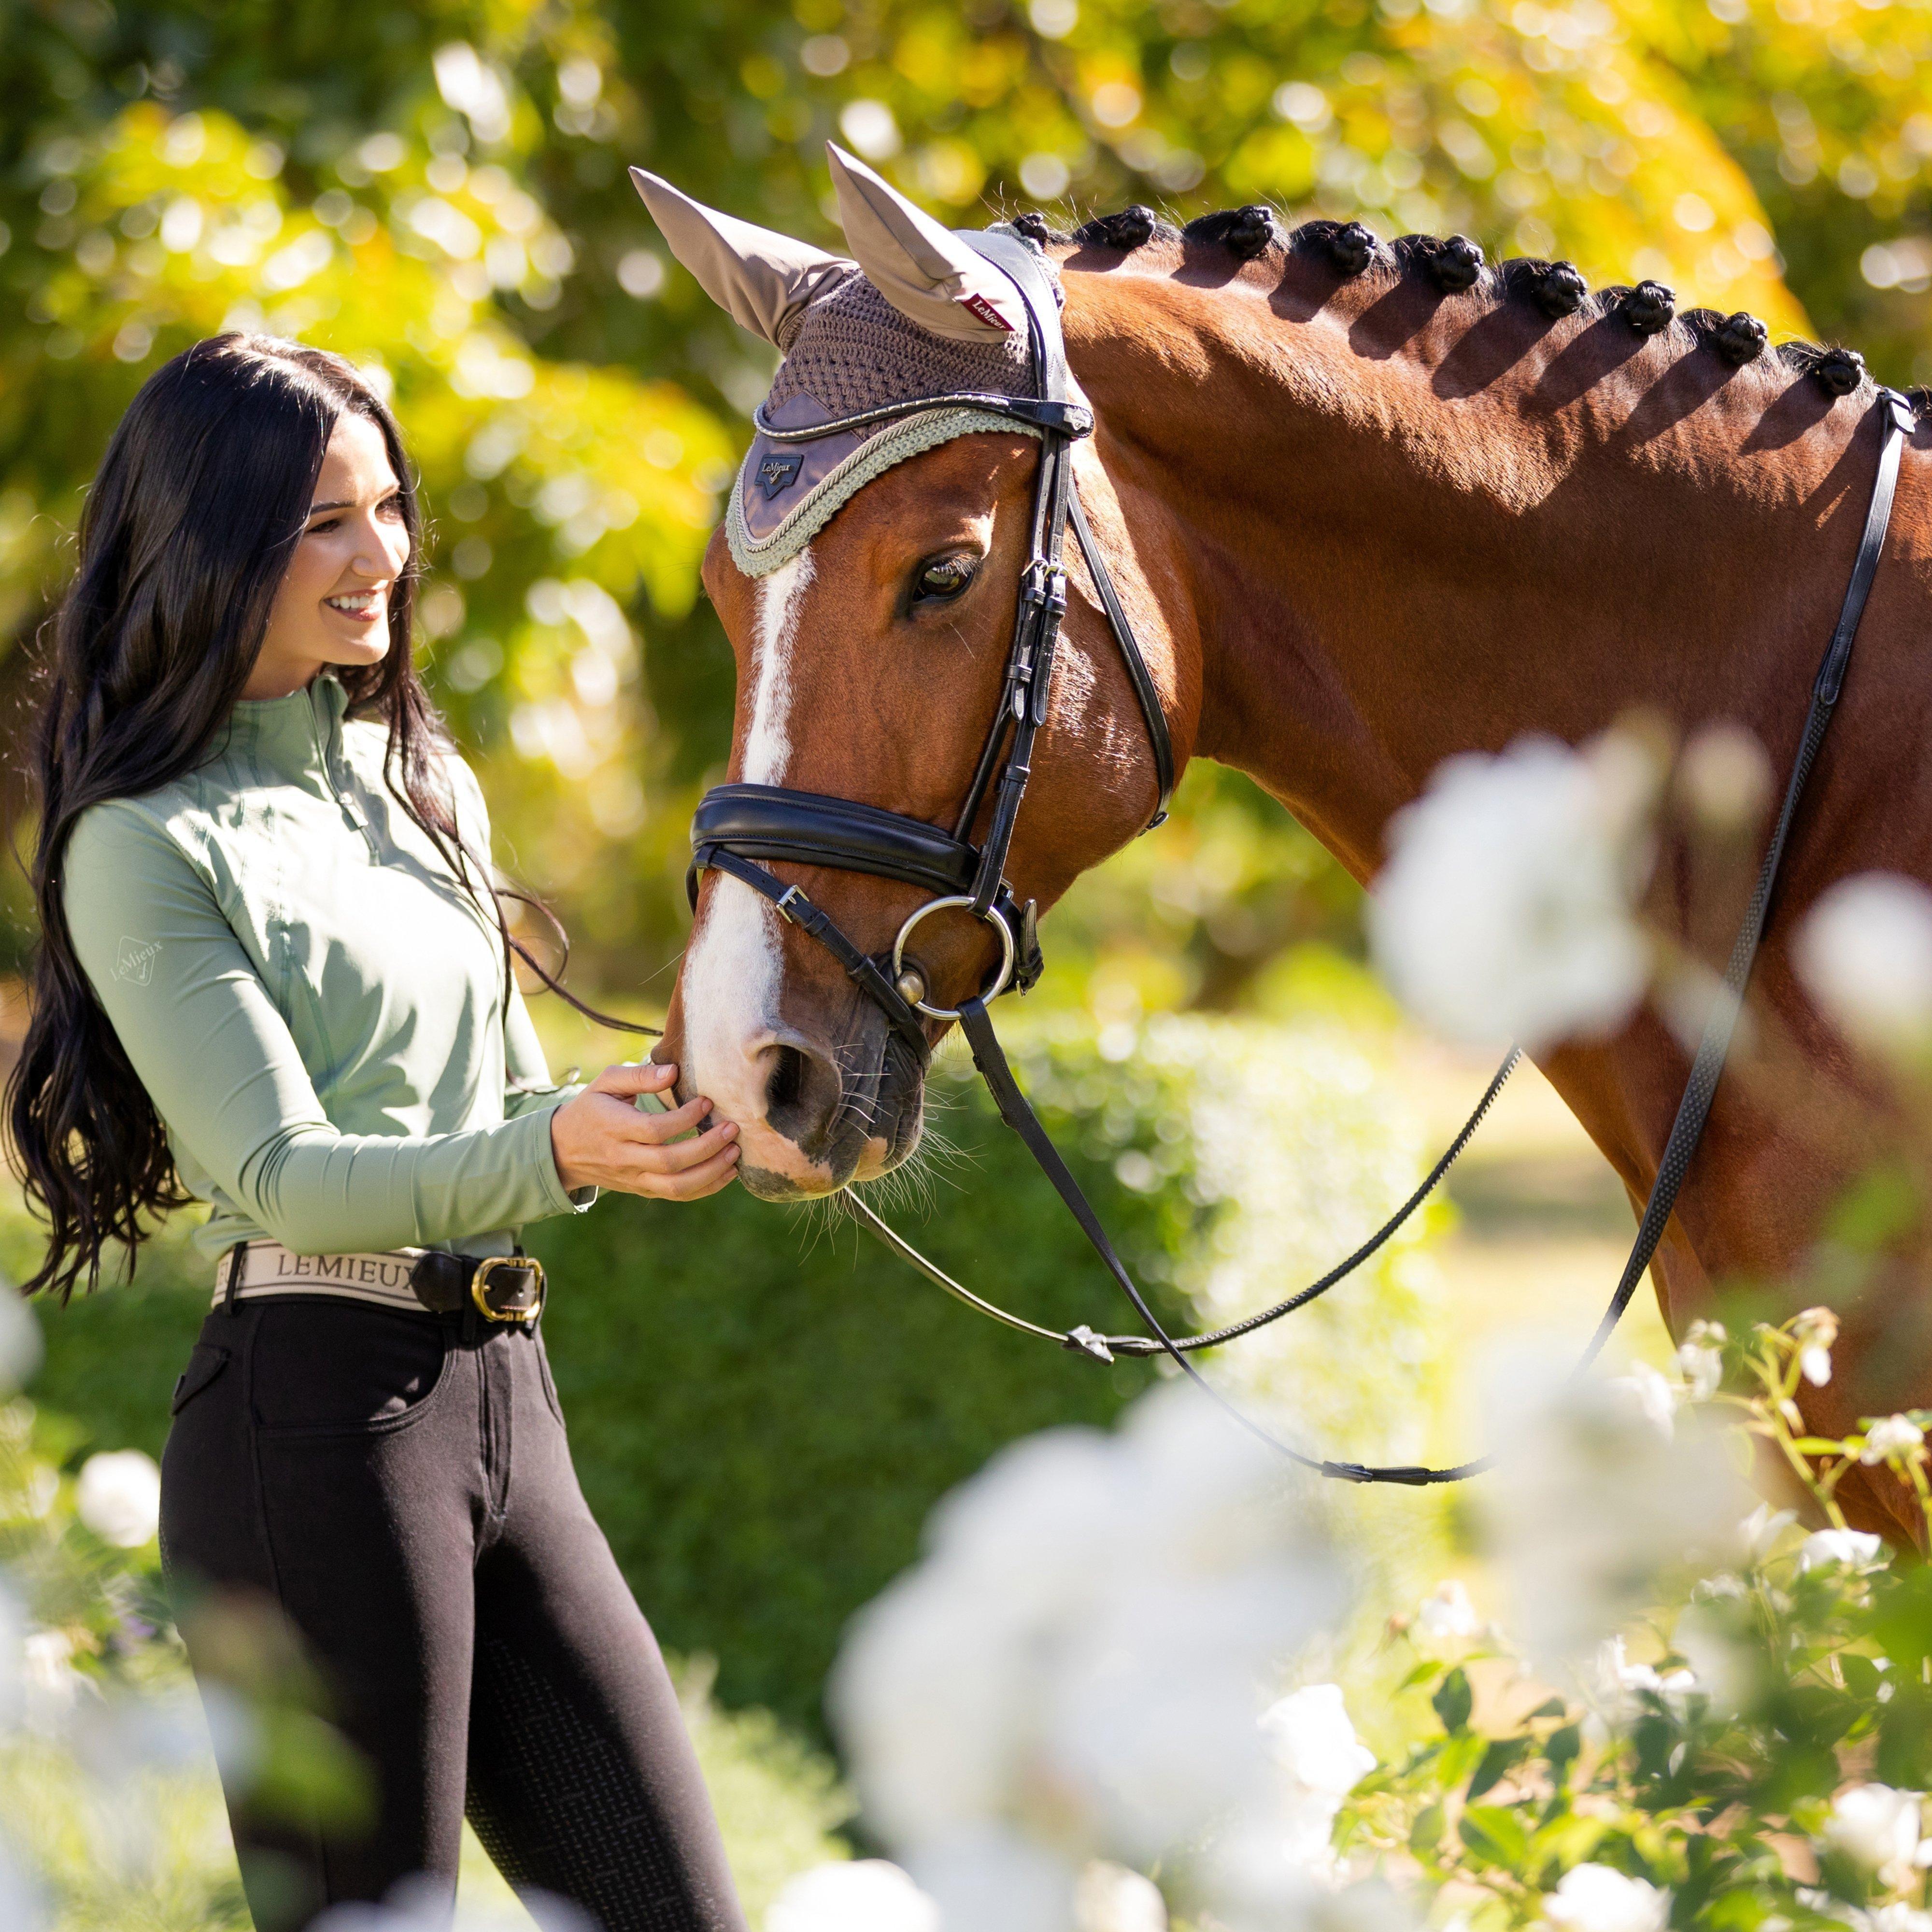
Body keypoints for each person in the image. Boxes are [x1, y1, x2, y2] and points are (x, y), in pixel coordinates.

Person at [4, 335, 748, 1932]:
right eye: (324, 524)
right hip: (313, 1425)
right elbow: (279, 1170)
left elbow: (503, 1109)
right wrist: (558, 1151)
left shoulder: (427, 785)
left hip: (503, 1397)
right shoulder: (141, 846)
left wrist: (668, 1105)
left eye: (391, 510)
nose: (383, 560)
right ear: (209, 542)